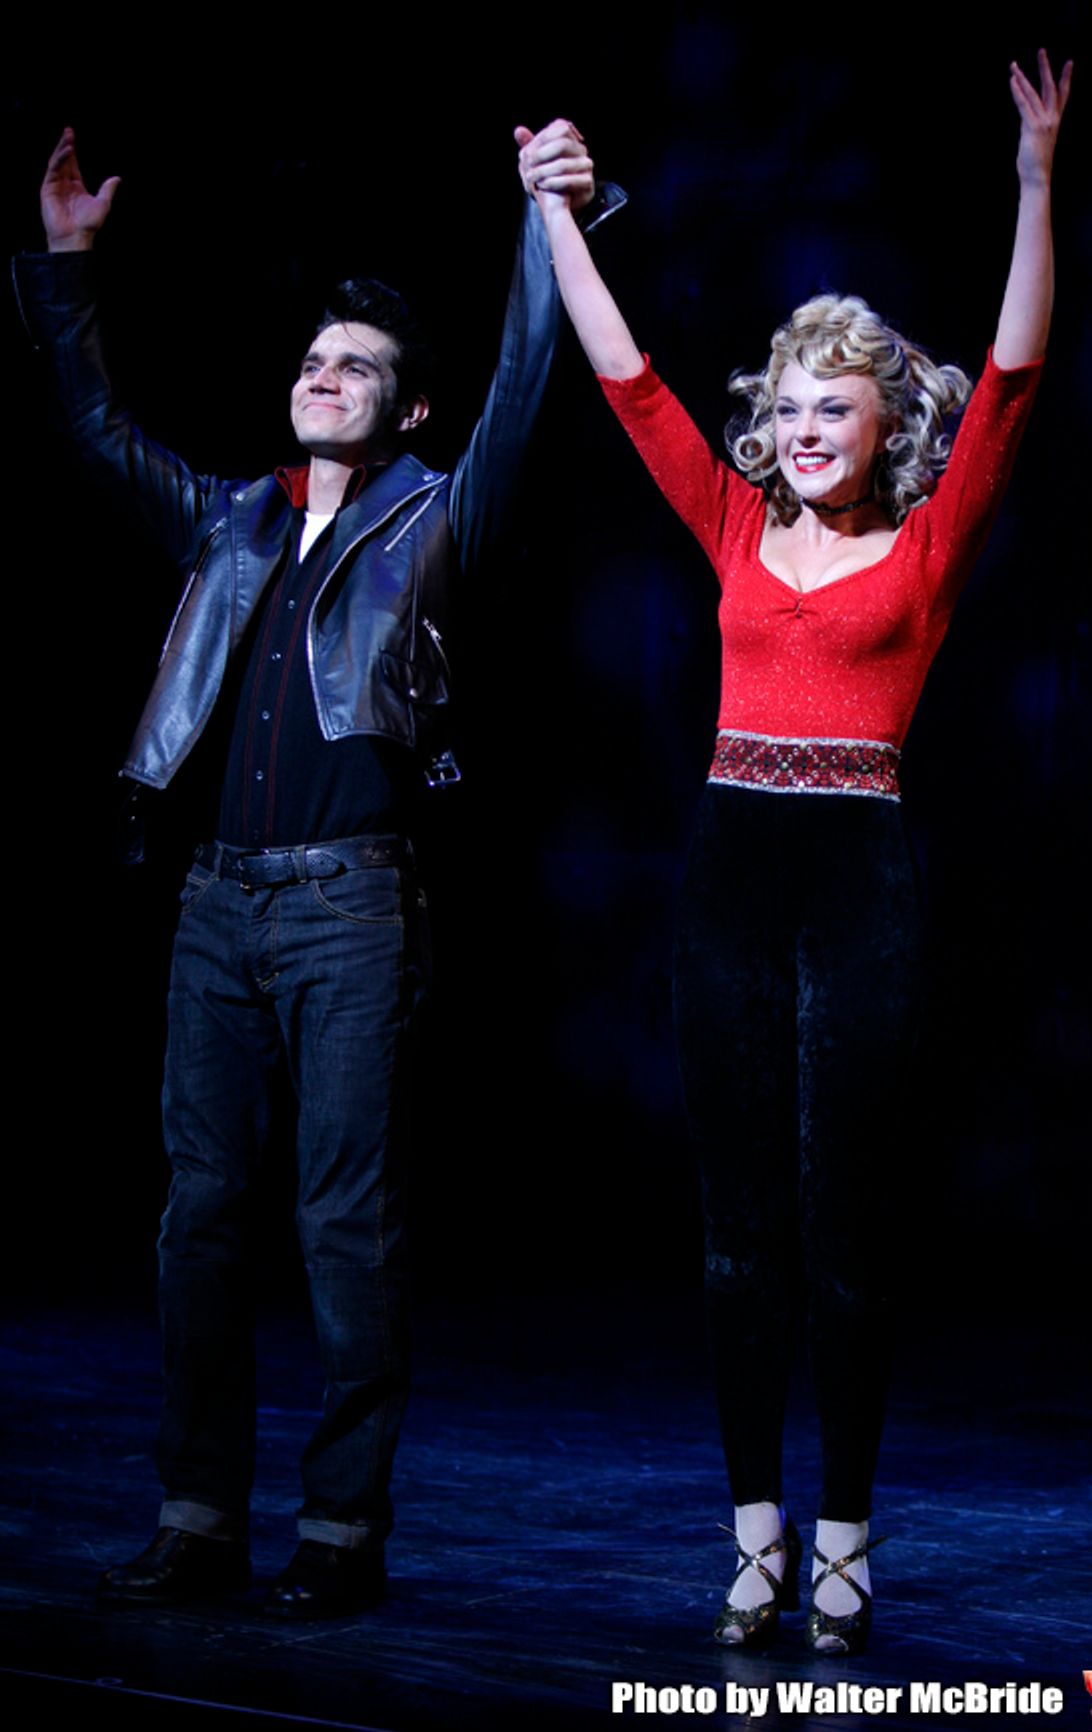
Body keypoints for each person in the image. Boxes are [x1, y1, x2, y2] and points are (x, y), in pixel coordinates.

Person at [17, 120, 615, 1620]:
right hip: (218, 900)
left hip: (354, 905)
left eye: (353, 365)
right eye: (311, 360)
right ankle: (198, 1515)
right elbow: (94, 438)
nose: (321, 375)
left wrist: (554, 222)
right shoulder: (232, 521)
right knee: (198, 1215)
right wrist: (72, 265)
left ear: (403, 406)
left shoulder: (432, 517)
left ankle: (341, 1533)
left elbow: (532, 393)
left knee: (344, 1220)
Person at [517, 50, 1071, 1653]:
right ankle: (752, 1534)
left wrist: (1036, 177)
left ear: (885, 427)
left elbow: (1018, 379)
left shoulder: (933, 535)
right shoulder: (737, 522)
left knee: (848, 1231)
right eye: (794, 406)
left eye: (843, 407)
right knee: (739, 1229)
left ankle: (844, 1537)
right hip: (730, 882)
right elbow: (626, 379)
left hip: (864, 886)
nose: (810, 426)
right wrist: (556, 216)